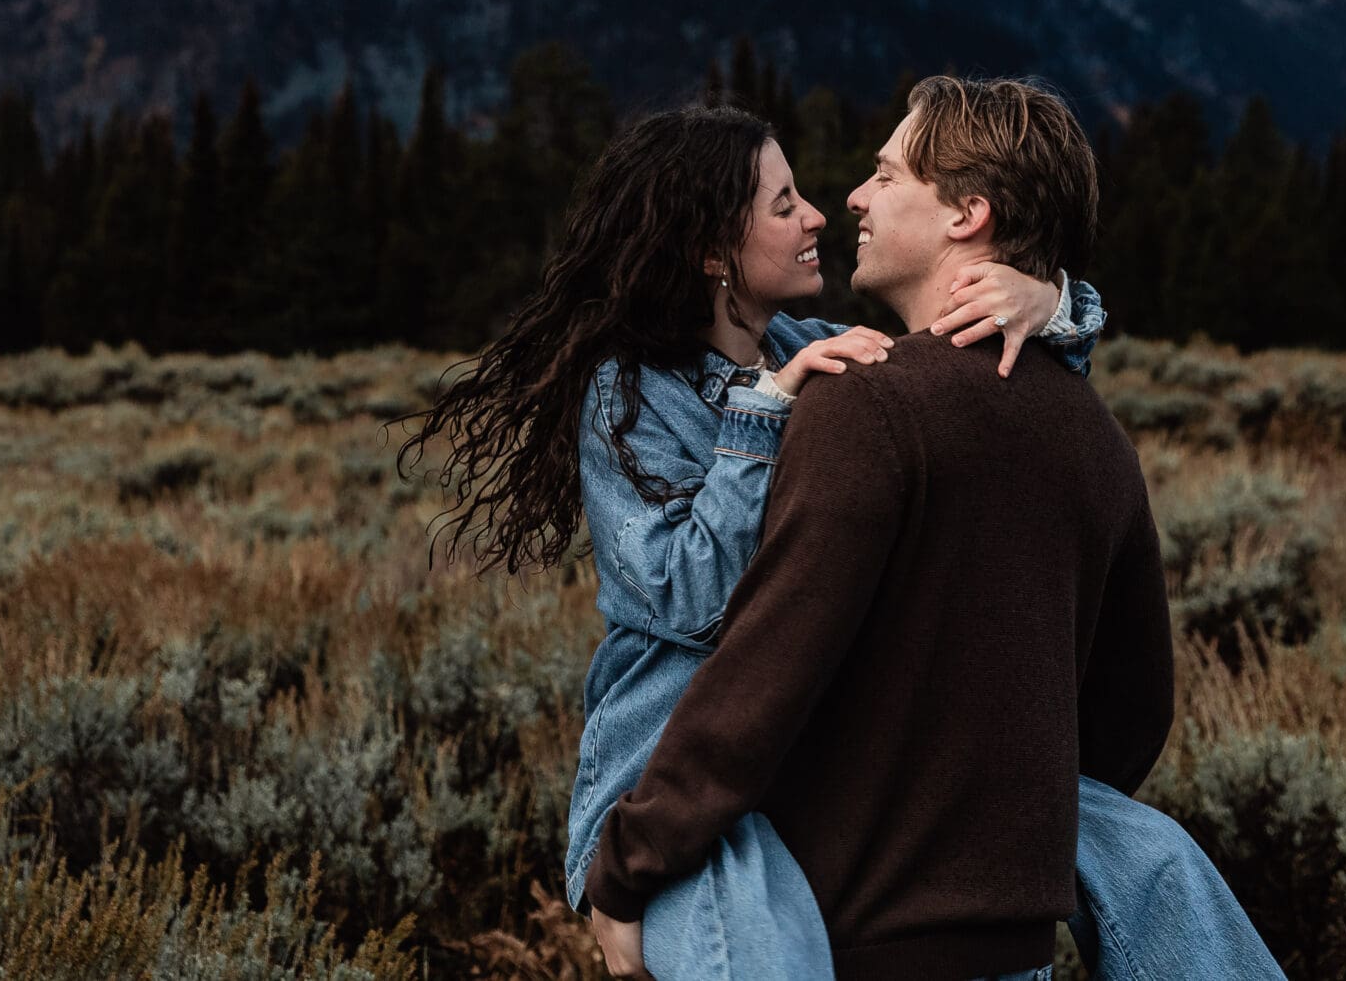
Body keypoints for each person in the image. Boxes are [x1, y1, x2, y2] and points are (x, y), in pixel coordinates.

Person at [406, 91, 1275, 980]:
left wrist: (1051, 301)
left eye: (878, 175)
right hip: (665, 759)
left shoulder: (824, 351)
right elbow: (694, 604)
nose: (830, 205)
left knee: (1147, 849)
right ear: (712, 250)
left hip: (777, 753)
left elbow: (946, 367)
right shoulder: (631, 393)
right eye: (785, 205)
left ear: (970, 216)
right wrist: (764, 411)